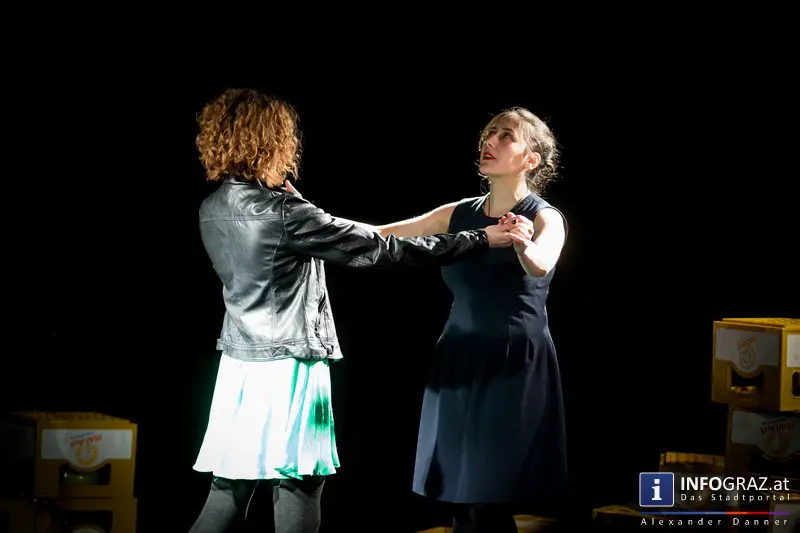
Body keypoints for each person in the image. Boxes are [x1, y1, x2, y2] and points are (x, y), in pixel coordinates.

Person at [187, 88, 514, 533]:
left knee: (228, 491)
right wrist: (478, 239)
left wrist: (302, 207)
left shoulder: (212, 208)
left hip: (239, 365)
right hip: (289, 364)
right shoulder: (285, 213)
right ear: (271, 141)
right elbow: (382, 250)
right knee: (300, 483)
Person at [375, 107, 569, 532]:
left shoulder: (544, 217)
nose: (490, 141)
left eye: (505, 136)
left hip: (512, 361)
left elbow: (541, 263)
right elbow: (382, 234)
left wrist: (521, 243)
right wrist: (312, 219)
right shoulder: (458, 213)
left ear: (530, 159)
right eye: (489, 133)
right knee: (460, 495)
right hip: (458, 356)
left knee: (487, 496)